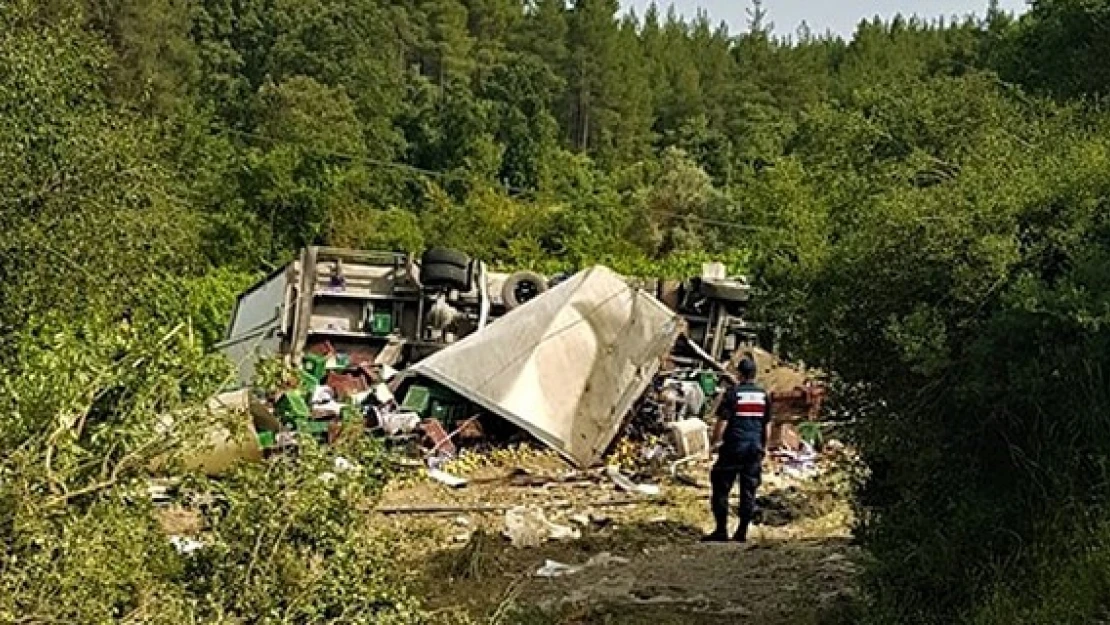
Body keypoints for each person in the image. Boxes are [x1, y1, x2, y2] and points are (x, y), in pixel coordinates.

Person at [702, 356, 772, 543]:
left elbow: (722, 422)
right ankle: (741, 532)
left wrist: (714, 443)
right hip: (754, 448)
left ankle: (721, 530)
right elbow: (767, 425)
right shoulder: (763, 395)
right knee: (749, 490)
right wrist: (764, 447)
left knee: (721, 485)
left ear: (739, 374)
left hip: (734, 446)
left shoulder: (733, 393)